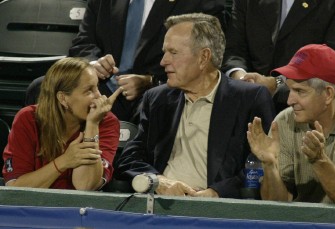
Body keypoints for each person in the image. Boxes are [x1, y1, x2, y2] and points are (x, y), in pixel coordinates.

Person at [116, 13, 275, 198]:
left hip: (218, 213)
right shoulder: (157, 99)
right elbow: (130, 158)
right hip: (160, 207)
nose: (163, 61)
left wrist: (217, 193)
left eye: (173, 53)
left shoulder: (249, 98)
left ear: (203, 57)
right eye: (165, 51)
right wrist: (158, 181)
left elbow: (261, 163)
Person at [25, 0, 226, 124]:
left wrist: (150, 80)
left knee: (162, 99)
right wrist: (93, 64)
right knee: (43, 87)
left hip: (157, 88)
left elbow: (204, 61)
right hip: (101, 85)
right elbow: (83, 42)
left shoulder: (200, 2)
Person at [246, 44, 335, 205]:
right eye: (290, 90)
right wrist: (269, 164)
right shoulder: (284, 122)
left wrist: (319, 161)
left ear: (328, 94)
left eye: (300, 91)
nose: (289, 101)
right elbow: (277, 204)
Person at [221, 0, 335, 111]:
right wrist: (241, 78)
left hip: (306, 111)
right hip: (244, 104)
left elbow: (331, 61)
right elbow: (234, 49)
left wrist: (276, 83)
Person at [3, 58, 122, 190]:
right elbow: (15, 189)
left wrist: (92, 124)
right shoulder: (28, 119)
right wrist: (64, 161)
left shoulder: (106, 122)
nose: (99, 96)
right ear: (63, 98)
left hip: (80, 209)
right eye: (89, 90)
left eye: (97, 87)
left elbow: (85, 185)